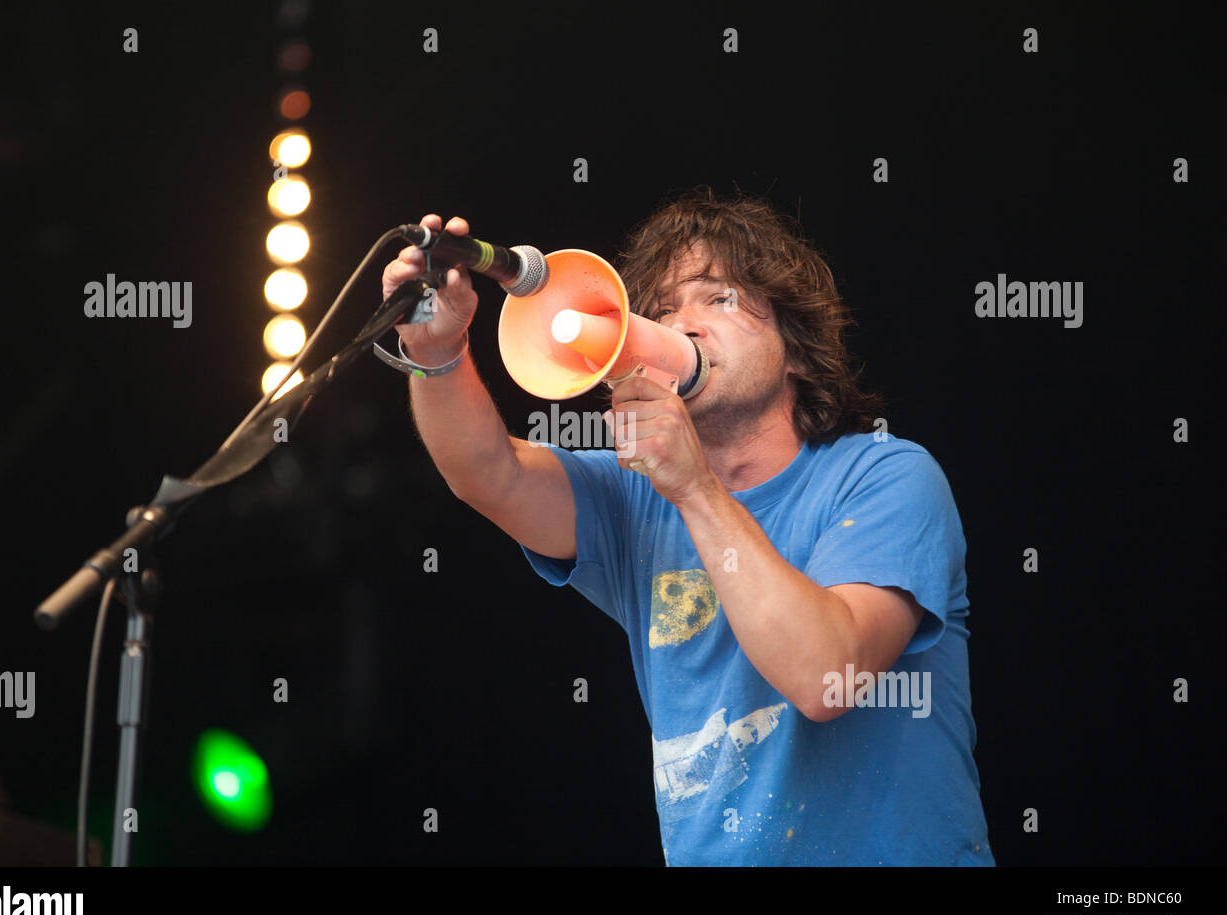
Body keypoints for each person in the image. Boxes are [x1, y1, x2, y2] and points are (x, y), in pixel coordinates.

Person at [380, 188, 995, 866]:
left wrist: (695, 487)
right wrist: (436, 352)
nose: (684, 325)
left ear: (795, 347)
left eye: (718, 297)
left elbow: (828, 677)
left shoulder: (888, 476)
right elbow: (484, 472)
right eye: (663, 310)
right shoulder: (635, 495)